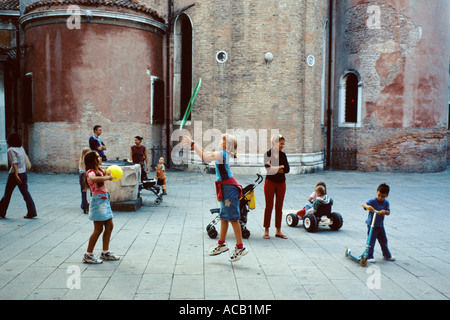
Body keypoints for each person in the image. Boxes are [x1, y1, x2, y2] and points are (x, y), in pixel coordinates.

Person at [182, 133, 248, 262]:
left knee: (233, 218)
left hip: (229, 188)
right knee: (224, 217)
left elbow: (205, 157)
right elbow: (205, 152)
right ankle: (221, 244)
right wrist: (193, 143)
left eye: (222, 140)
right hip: (226, 187)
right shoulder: (222, 153)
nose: (219, 141)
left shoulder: (222, 153)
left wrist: (192, 144)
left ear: (227, 144)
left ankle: (240, 247)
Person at [82, 151, 119, 264]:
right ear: (93, 160)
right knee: (98, 230)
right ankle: (88, 255)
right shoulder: (90, 172)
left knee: (109, 226)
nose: (100, 157)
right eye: (98, 157)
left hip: (104, 200)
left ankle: (105, 252)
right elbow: (93, 179)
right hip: (98, 202)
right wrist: (107, 178)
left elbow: (105, 177)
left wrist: (109, 175)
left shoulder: (99, 171)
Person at [0, 133, 37, 219]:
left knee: (7, 194)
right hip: (23, 173)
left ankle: (1, 212)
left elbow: (14, 163)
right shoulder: (21, 149)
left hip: (15, 174)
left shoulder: (11, 150)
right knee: (26, 193)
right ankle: (32, 212)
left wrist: (16, 175)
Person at [263, 134, 290, 239]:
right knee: (268, 207)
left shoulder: (283, 155)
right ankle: (266, 230)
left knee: (279, 207)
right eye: (281, 144)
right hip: (270, 183)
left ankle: (278, 230)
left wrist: (275, 167)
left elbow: (287, 169)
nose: (283, 146)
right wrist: (280, 167)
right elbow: (269, 170)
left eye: (283, 144)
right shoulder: (267, 154)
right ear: (275, 143)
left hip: (281, 183)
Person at [362, 183, 396, 263]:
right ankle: (369, 256)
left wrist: (384, 212)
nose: (380, 198)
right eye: (379, 195)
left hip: (380, 225)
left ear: (386, 195)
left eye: (383, 196)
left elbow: (388, 212)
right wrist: (367, 207)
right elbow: (363, 204)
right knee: (371, 241)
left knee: (383, 240)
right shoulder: (373, 201)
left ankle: (387, 255)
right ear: (377, 192)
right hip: (372, 224)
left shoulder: (386, 203)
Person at [78, 147, 91, 214]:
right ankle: (89, 206)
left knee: (83, 192)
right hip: (85, 175)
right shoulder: (87, 159)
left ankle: (84, 206)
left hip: (81, 174)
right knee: (91, 190)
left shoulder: (81, 159)